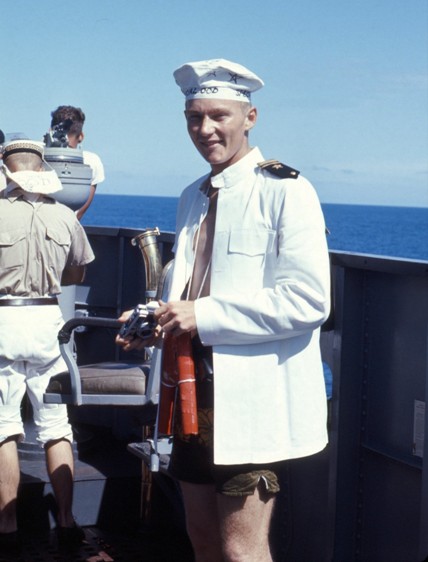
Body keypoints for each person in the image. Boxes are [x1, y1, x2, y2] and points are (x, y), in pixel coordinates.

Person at [117, 58, 331, 562]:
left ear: (249, 117)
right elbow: (191, 288)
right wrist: (156, 319)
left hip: (252, 404)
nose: (205, 129)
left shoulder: (287, 190)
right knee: (202, 538)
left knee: (241, 549)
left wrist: (202, 316)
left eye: (219, 116)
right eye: (194, 117)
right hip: (194, 396)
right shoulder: (193, 196)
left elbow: (309, 300)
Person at [0, 139, 95, 552]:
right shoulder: (65, 218)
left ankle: (7, 527)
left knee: (4, 429)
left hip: (3, 320)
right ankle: (69, 521)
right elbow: (75, 273)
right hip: (47, 324)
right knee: (56, 428)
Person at [48, 105, 105, 220]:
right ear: (81, 136)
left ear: (50, 131)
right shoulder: (92, 161)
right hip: (68, 225)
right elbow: (80, 209)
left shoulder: (36, 155)